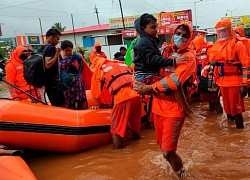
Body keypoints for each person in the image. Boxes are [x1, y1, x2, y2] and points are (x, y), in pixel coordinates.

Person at [133, 23, 196, 176]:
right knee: (163, 149)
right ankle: (175, 172)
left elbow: (175, 81)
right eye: (178, 33)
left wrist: (148, 88)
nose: (180, 37)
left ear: (190, 38)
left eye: (185, 35)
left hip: (174, 108)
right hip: (157, 105)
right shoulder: (165, 51)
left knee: (168, 152)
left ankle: (182, 175)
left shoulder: (188, 57)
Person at [90, 57, 141, 149]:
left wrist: (100, 105)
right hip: (137, 94)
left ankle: (119, 154)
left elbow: (96, 94)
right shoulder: (120, 64)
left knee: (115, 130)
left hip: (122, 96)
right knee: (134, 126)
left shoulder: (99, 70)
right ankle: (138, 146)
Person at [208, 19, 250, 129]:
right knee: (227, 110)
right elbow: (214, 66)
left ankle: (239, 134)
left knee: (236, 111)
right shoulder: (217, 46)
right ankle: (230, 135)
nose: (222, 34)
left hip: (236, 82)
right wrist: (214, 82)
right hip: (222, 82)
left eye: (224, 31)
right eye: (220, 31)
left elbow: (246, 65)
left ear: (230, 30)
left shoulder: (238, 44)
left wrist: (245, 84)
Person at [133, 13, 188, 84]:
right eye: (153, 27)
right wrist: (173, 61)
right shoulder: (144, 42)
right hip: (146, 76)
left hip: (150, 74)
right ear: (143, 28)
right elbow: (153, 59)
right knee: (171, 84)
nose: (156, 30)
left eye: (156, 27)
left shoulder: (150, 41)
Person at [192, 35, 223, 114]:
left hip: (212, 79)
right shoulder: (197, 52)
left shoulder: (210, 49)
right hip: (203, 79)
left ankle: (219, 116)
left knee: (215, 101)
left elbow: (214, 62)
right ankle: (214, 118)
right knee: (210, 100)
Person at [38, 29, 65, 107]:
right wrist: (57, 53)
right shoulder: (51, 48)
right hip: (53, 83)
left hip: (47, 82)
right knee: (61, 105)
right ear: (51, 37)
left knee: (54, 104)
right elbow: (48, 64)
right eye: (57, 39)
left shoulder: (41, 48)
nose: (58, 42)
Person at [59, 40, 88, 110]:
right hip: (65, 84)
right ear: (62, 50)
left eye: (70, 50)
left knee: (80, 100)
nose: (68, 52)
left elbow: (80, 68)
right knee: (68, 100)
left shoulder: (76, 57)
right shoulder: (58, 58)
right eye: (66, 51)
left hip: (77, 83)